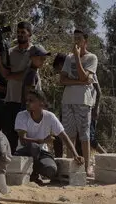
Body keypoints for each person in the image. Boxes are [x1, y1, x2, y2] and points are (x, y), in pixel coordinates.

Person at [15, 89, 82, 183]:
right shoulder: (21, 115)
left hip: (42, 152)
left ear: (41, 104)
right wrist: (42, 141)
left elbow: (64, 136)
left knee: (51, 170)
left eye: (31, 101)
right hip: (24, 151)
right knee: (34, 147)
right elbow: (23, 140)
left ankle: (36, 171)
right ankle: (34, 176)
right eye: (27, 100)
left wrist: (76, 155)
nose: (27, 103)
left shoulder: (50, 117)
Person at [60, 28, 99, 175]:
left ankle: (87, 165)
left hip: (83, 101)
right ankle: (71, 166)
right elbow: (62, 80)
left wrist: (77, 57)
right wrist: (80, 81)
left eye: (79, 39)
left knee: (84, 134)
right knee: (69, 135)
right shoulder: (68, 58)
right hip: (67, 100)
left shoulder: (91, 58)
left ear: (85, 41)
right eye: (74, 38)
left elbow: (85, 77)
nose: (76, 41)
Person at [0, 22, 34, 150]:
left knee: (27, 135)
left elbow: (27, 74)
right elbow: (4, 73)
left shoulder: (34, 52)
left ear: (29, 34)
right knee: (9, 134)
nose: (20, 35)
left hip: (27, 101)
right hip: (11, 99)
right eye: (18, 32)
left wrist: (10, 76)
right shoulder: (11, 51)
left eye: (23, 32)